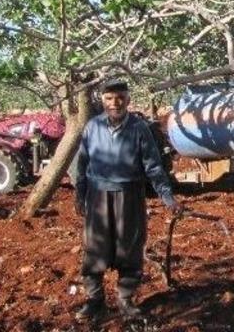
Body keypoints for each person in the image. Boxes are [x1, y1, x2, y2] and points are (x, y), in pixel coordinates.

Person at [74, 78, 182, 321]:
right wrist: (80, 195)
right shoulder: (92, 127)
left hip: (130, 196)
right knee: (95, 249)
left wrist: (168, 197)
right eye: (109, 99)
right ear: (102, 100)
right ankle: (95, 300)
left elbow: (153, 166)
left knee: (130, 248)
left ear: (128, 99)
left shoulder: (139, 128)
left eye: (120, 98)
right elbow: (81, 165)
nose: (115, 103)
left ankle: (125, 300)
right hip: (98, 197)